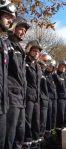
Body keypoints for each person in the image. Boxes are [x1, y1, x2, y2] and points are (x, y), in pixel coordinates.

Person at [4, 16, 30, 149]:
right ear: (13, 28)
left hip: (21, 96)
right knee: (10, 131)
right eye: (21, 29)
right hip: (11, 94)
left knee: (20, 130)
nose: (23, 33)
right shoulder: (6, 44)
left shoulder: (20, 49)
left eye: (24, 31)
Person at [0, 0, 16, 148]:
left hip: (2, 105)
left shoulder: (3, 43)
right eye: (6, 15)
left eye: (12, 18)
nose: (10, 20)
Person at [23, 40, 42, 149]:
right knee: (28, 122)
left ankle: (36, 144)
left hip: (36, 98)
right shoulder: (24, 63)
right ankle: (27, 144)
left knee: (36, 122)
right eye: (34, 51)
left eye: (38, 52)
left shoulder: (38, 67)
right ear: (29, 51)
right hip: (28, 97)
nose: (36, 53)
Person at [38, 53, 51, 148]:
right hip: (40, 100)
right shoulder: (39, 71)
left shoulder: (44, 73)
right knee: (40, 122)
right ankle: (39, 142)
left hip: (45, 100)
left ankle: (42, 141)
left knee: (43, 123)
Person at [53, 59, 66, 139]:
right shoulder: (56, 76)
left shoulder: (65, 77)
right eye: (61, 67)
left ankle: (65, 135)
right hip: (60, 99)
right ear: (58, 67)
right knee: (60, 117)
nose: (62, 68)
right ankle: (59, 136)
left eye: (64, 67)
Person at [44, 58, 57, 144]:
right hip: (48, 98)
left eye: (52, 67)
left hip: (54, 99)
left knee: (53, 116)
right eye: (49, 66)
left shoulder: (52, 77)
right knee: (48, 118)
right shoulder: (44, 75)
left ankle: (51, 133)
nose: (50, 67)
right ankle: (47, 136)